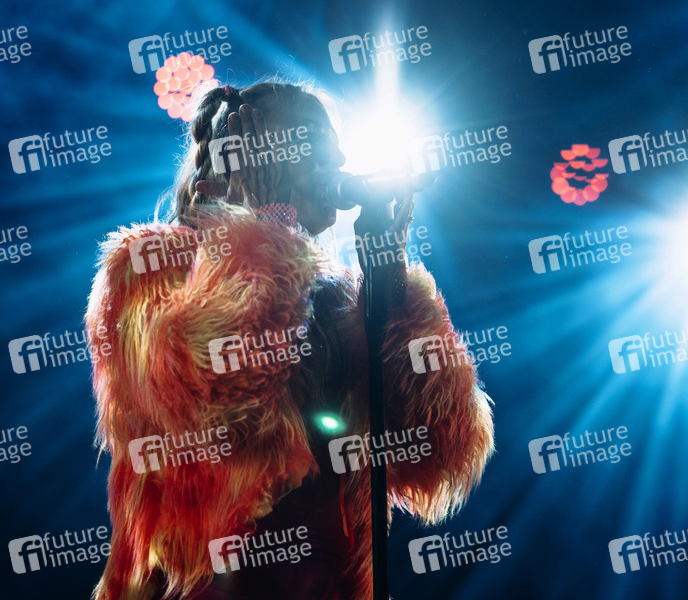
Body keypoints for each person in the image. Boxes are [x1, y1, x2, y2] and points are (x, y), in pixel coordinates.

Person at [85, 78, 494, 600]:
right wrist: (264, 226)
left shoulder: (338, 300)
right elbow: (224, 408)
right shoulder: (149, 267)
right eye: (312, 139)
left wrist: (391, 290)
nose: (338, 157)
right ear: (242, 156)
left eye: (336, 144)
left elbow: (439, 450)